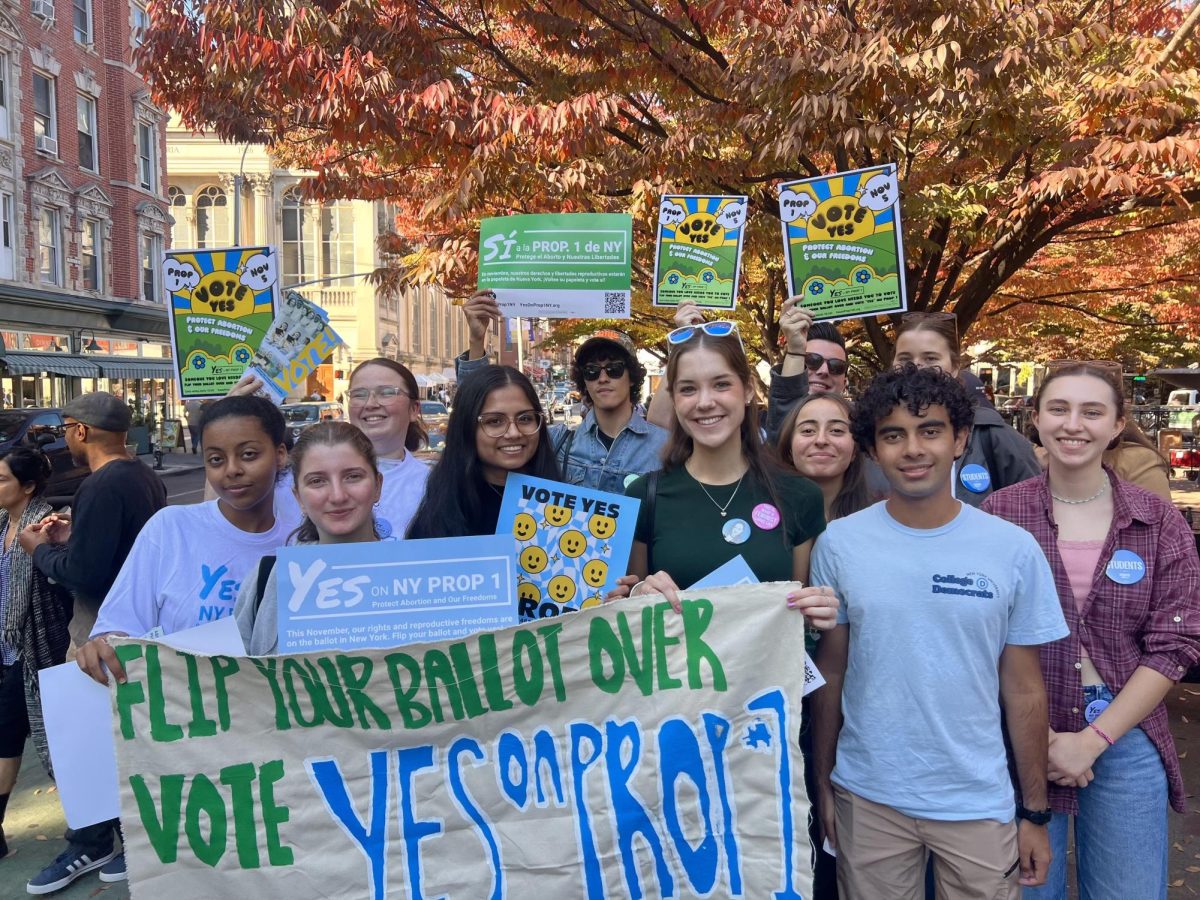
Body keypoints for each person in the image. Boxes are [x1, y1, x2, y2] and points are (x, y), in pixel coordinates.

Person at [810, 364, 1068, 899]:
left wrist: (1034, 811)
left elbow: (1024, 688)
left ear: (960, 440)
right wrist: (824, 781)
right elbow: (831, 672)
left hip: (977, 802)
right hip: (869, 795)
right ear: (872, 448)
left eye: (930, 430)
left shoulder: (1013, 549)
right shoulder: (839, 544)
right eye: (893, 434)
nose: (913, 449)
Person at [982, 362, 1200, 900]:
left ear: (1117, 424)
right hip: (1022, 731)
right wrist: (1047, 740)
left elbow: (1175, 645)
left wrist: (1092, 741)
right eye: (1058, 408)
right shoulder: (998, 515)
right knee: (1027, 890)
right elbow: (979, 632)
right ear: (1035, 418)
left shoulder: (1157, 521)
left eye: (1091, 411)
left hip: (1124, 733)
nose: (1072, 424)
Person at [20, 393, 165, 894]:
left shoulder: (104, 484)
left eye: (64, 428)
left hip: (98, 630)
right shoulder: (142, 475)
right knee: (128, 736)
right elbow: (112, 549)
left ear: (80, 431)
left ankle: (94, 840)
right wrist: (71, 538)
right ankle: (125, 833)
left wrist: (39, 550)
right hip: (138, 625)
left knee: (89, 741)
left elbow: (87, 571)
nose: (63, 438)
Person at [618, 320, 832, 611]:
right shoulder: (644, 496)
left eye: (721, 384)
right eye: (688, 389)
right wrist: (638, 593)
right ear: (674, 399)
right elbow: (625, 610)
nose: (705, 402)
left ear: (747, 390)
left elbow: (797, 621)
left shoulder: (799, 495)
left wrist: (817, 611)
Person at [456, 292, 668, 493]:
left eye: (614, 369)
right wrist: (476, 341)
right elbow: (475, 418)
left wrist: (685, 340)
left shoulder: (664, 445)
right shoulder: (556, 441)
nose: (603, 378)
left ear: (631, 376)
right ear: (583, 379)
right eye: (592, 371)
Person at [231, 357, 430, 539]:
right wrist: (229, 415)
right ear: (298, 495)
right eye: (359, 394)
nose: (371, 404)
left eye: (387, 392)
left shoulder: (434, 484)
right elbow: (221, 513)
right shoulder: (290, 476)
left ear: (414, 409)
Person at [235, 421, 384, 655]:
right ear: (299, 497)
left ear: (377, 486)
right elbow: (237, 678)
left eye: (353, 476)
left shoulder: (417, 577)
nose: (337, 496)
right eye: (317, 481)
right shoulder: (266, 580)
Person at [0, 449, 71, 862]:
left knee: (55, 747)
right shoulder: (1, 525)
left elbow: (66, 581)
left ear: (27, 487)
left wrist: (47, 549)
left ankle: (102, 827)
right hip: (8, 653)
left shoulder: (46, 525)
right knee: (6, 740)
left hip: (40, 652)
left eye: (3, 479)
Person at [893, 311, 1040, 507]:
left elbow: (1032, 511)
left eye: (930, 358)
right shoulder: (872, 434)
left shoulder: (992, 435)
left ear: (955, 367)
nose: (916, 367)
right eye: (905, 358)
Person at [407, 365, 560, 538]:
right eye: (495, 421)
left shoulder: (569, 509)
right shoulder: (438, 512)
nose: (514, 433)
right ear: (466, 427)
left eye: (525, 418)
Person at [777, 393, 873, 523]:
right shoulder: (764, 518)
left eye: (836, 430)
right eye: (808, 430)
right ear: (789, 449)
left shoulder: (875, 523)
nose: (821, 440)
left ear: (855, 450)